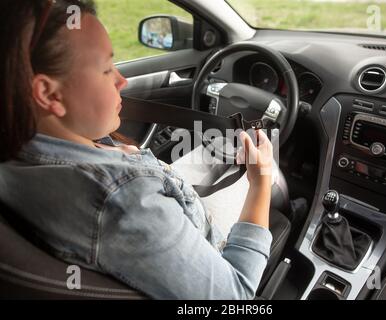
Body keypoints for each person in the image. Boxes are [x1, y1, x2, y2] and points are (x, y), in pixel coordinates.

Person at [0, 0, 274, 299]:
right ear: (48, 93)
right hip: (215, 255)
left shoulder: (18, 148)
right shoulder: (125, 200)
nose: (122, 80)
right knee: (274, 181)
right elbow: (235, 297)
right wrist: (260, 181)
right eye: (106, 69)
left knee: (219, 151)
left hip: (171, 218)